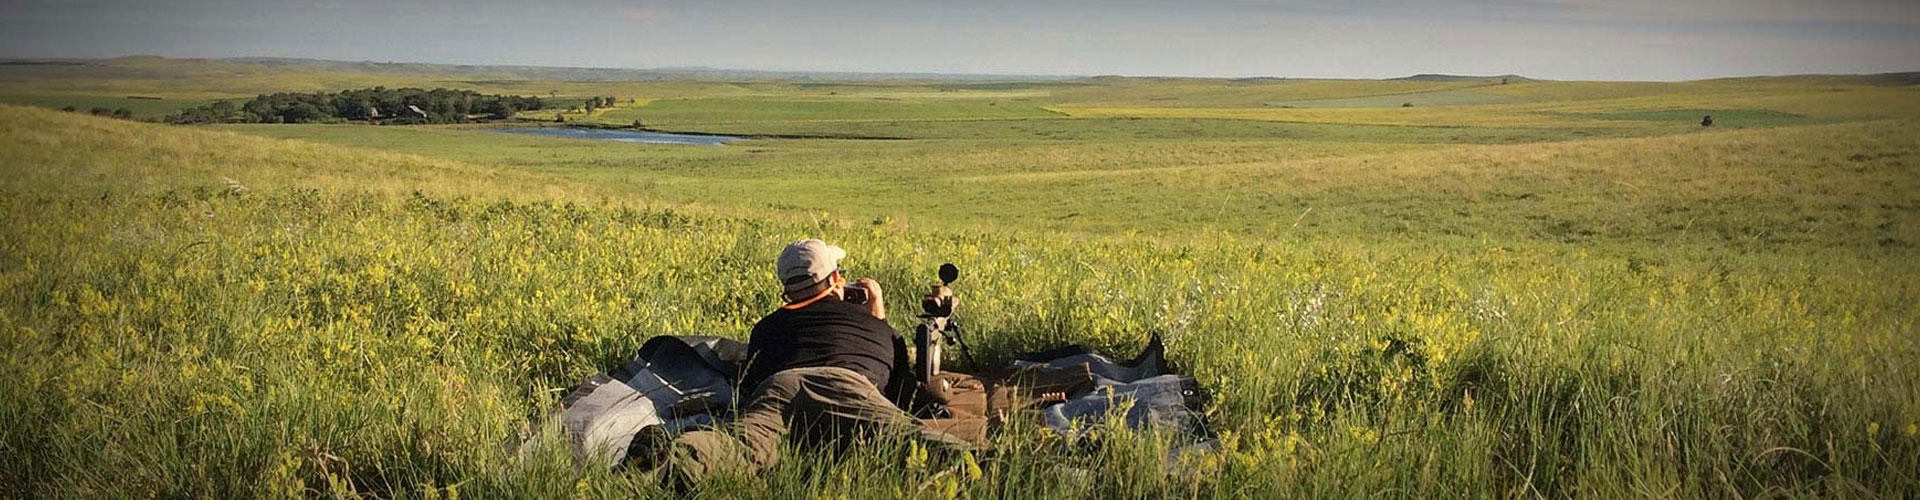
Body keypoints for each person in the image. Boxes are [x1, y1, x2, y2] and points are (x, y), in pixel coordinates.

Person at [642, 239, 968, 483]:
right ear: (835, 278)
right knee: (908, 438)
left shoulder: (767, 327)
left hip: (781, 388)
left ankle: (681, 454)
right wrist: (877, 316)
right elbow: (903, 392)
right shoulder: (873, 326)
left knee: (745, 442)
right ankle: (986, 462)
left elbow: (749, 384)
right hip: (849, 387)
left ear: (787, 287)